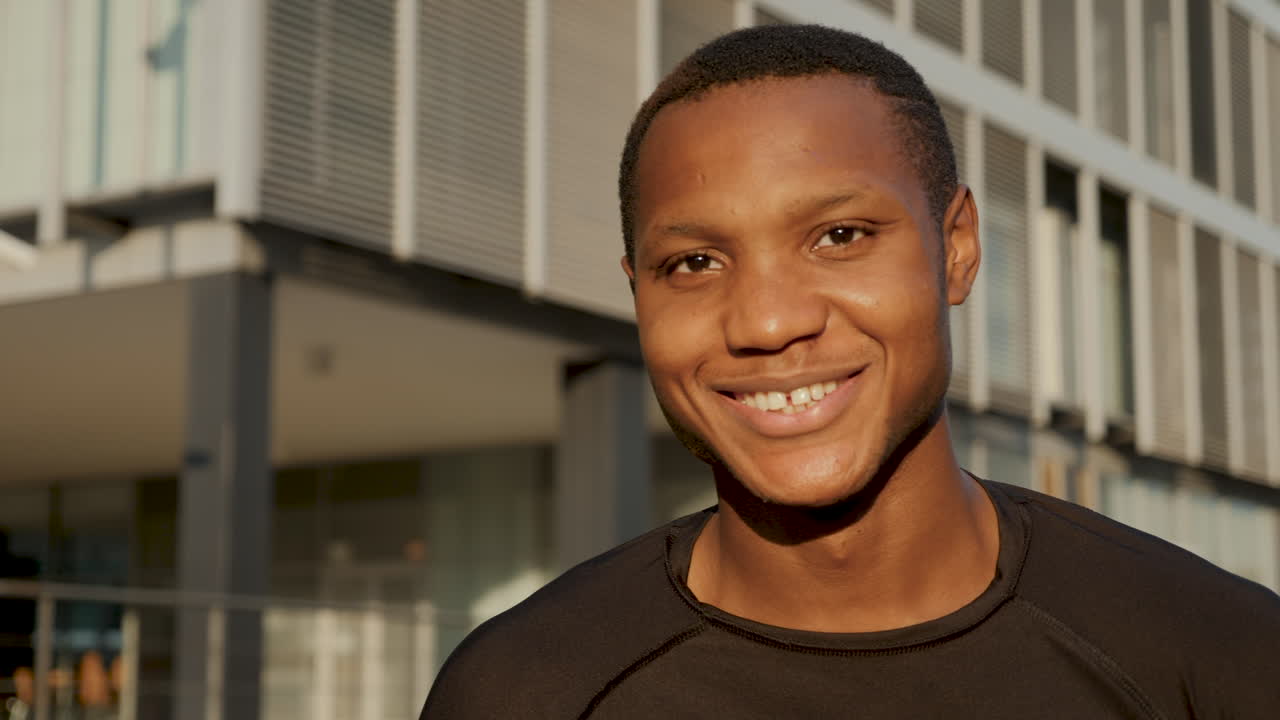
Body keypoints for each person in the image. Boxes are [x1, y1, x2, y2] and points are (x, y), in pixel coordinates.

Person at [421, 24, 1280, 718]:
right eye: (693, 263)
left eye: (839, 238)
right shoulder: (522, 690)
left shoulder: (1216, 656)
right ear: (638, 293)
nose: (767, 320)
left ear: (956, 249)